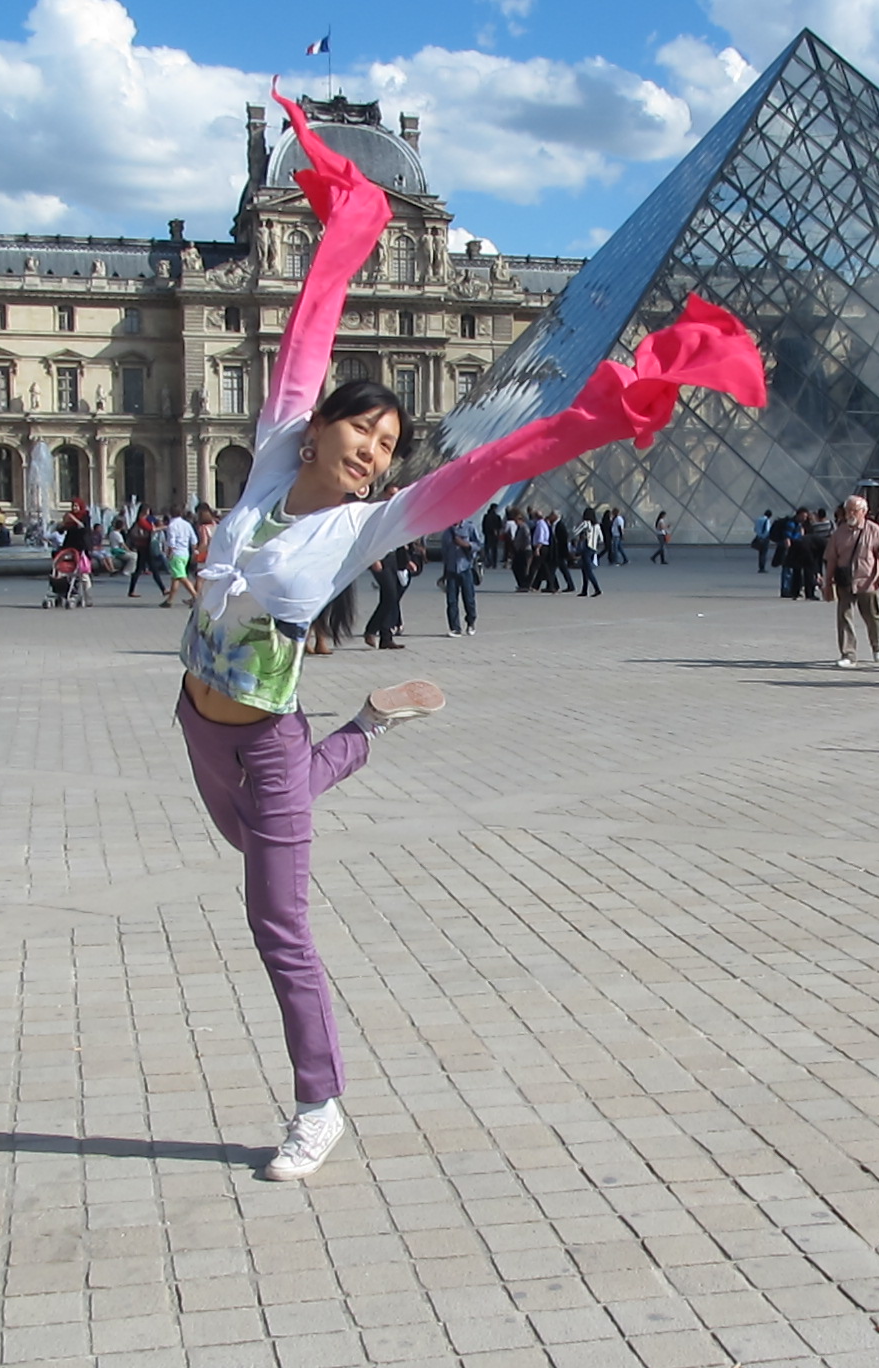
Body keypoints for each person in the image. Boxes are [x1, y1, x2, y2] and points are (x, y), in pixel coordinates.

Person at [179, 91, 762, 1182]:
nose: (375, 452)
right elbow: (307, 332)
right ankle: (367, 728)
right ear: (321, 425)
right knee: (272, 822)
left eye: (390, 444)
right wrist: (345, 232)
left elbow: (484, 470)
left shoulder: (367, 528)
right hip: (197, 730)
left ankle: (319, 1105)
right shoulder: (267, 461)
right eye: (364, 427)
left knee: (276, 921)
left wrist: (603, 408)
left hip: (256, 735)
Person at [822, 495, 879, 668]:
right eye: (848, 510)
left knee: (872, 616)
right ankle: (848, 654)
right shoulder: (839, 533)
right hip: (845, 581)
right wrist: (827, 583)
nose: (850, 513)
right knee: (844, 617)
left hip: (868, 581)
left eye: (854, 510)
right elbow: (831, 559)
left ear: (864, 512)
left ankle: (877, 644)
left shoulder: (874, 530)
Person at [441, 513, 481, 636]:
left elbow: (479, 545)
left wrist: (466, 545)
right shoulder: (447, 532)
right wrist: (444, 573)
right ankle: (455, 628)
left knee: (469, 599)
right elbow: (445, 553)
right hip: (451, 571)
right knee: (451, 601)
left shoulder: (469, 527)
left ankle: (470, 622)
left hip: (466, 568)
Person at [160, 508, 197, 607]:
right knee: (175, 578)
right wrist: (193, 552)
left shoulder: (172, 526)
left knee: (181, 577)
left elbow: (171, 542)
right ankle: (169, 600)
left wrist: (169, 553)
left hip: (176, 553)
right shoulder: (187, 524)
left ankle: (196, 597)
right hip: (185, 553)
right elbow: (194, 540)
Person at [571, 506, 603, 597]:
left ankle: (597, 589)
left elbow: (575, 532)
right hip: (593, 548)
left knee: (587, 570)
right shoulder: (597, 525)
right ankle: (584, 590)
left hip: (586, 548)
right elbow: (601, 539)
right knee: (585, 569)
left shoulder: (585, 523)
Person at [753, 508, 774, 573]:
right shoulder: (767, 520)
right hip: (765, 539)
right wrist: (765, 536)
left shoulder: (758, 519)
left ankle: (760, 566)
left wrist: (759, 535)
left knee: (760, 553)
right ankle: (762, 567)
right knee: (764, 553)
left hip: (759, 538)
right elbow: (767, 530)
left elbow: (755, 529)